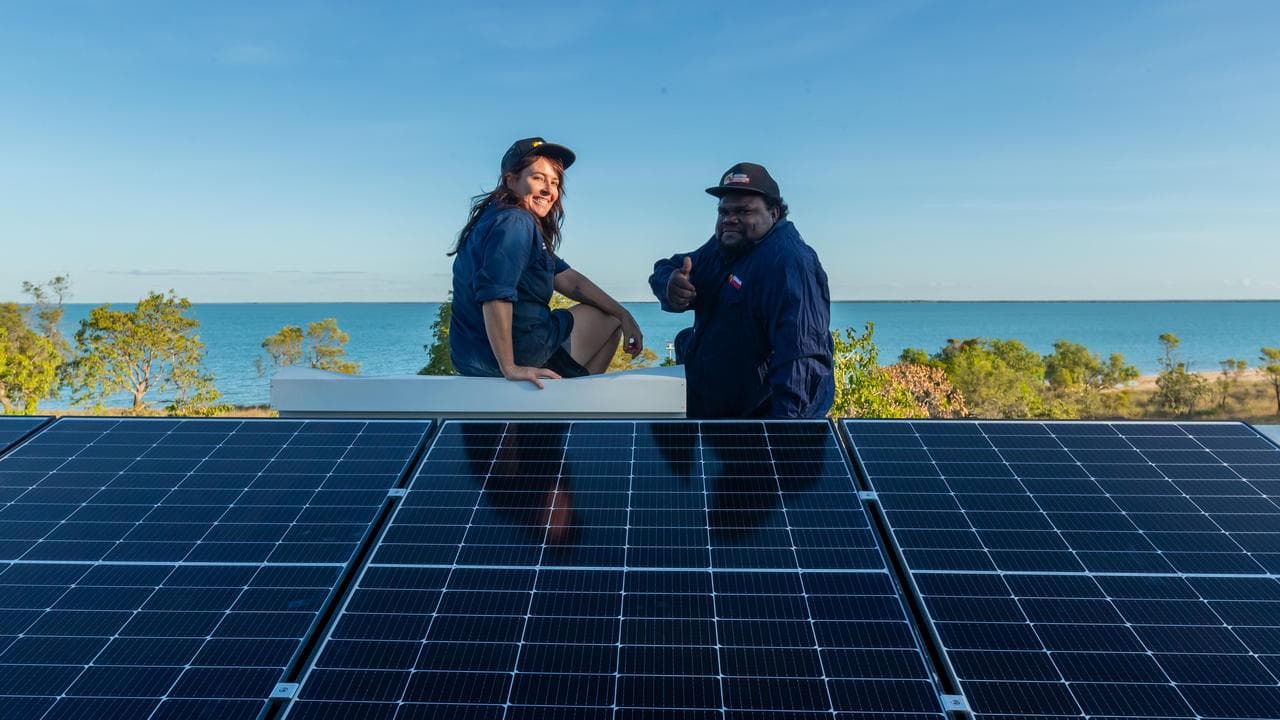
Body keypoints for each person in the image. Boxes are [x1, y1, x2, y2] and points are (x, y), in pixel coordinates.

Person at [450, 137, 642, 388]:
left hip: (469, 358)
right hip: (511, 355)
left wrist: (624, 312)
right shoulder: (515, 222)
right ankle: (574, 408)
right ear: (511, 180)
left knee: (614, 314)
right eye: (538, 178)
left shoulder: (495, 219)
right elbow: (495, 294)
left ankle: (567, 405)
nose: (548, 190)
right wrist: (510, 367)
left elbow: (570, 281)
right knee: (608, 319)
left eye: (554, 182)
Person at [648, 162, 834, 418]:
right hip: (707, 416)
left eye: (743, 211)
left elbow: (802, 364)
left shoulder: (789, 264)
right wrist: (670, 283)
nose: (729, 219)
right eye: (723, 212)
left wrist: (786, 439)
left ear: (774, 213)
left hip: (752, 428)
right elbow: (667, 267)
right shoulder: (724, 246)